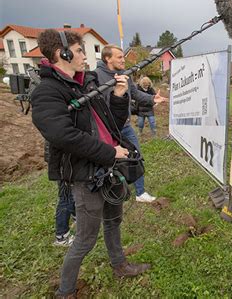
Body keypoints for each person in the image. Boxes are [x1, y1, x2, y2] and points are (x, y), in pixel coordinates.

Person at [31, 30, 151, 298]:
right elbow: (65, 137)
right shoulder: (47, 93)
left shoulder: (87, 83)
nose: (85, 56)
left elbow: (114, 124)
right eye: (79, 50)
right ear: (61, 54)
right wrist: (110, 153)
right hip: (87, 175)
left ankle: (119, 265)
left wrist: (120, 96)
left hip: (111, 169)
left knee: (113, 221)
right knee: (85, 238)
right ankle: (66, 291)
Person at [95, 45, 167, 203]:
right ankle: (104, 193)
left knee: (136, 156)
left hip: (125, 126)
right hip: (106, 129)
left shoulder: (123, 74)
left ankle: (140, 192)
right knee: (107, 161)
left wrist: (151, 99)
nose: (123, 59)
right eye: (119, 57)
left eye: (123, 56)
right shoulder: (96, 77)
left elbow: (135, 93)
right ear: (108, 58)